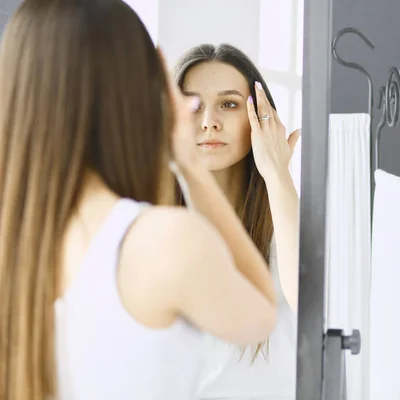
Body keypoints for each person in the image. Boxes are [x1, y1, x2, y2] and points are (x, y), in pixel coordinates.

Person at [0, 1, 278, 400]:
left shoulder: (16, 240)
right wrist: (190, 167)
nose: (208, 119)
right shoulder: (163, 241)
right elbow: (261, 316)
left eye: (228, 103)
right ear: (141, 91)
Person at [172, 44, 300, 399]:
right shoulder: (155, 225)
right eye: (191, 104)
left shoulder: (286, 219)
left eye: (228, 104)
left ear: (260, 115)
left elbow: (313, 304)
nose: (208, 121)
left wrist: (277, 174)